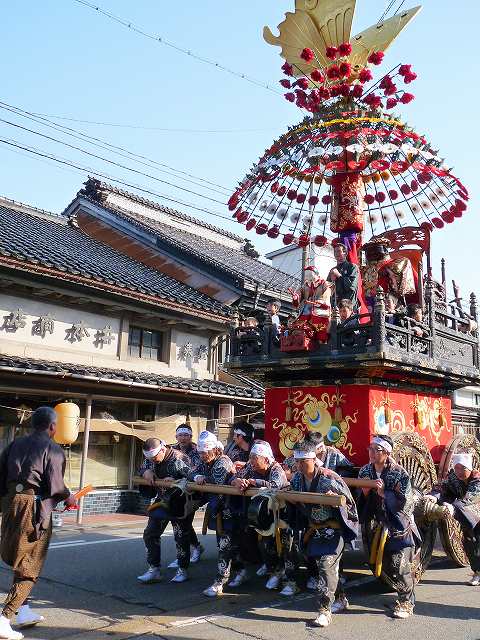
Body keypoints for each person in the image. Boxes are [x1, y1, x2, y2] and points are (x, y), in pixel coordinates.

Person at [0, 406, 77, 639]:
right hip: (32, 507)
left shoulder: (15, 444)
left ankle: (23, 611)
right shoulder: (53, 449)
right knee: (31, 563)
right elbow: (56, 485)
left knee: (19, 556)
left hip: (10, 502)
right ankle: (5, 619)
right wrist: (68, 496)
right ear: (53, 427)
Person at [283, 438, 358, 628]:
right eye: (297, 461)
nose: (299, 465)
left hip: (334, 530)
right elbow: (293, 497)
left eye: (303, 461)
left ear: (314, 459)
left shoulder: (330, 478)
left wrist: (336, 502)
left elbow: (350, 506)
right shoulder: (298, 479)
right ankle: (341, 599)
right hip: (315, 530)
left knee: (326, 566)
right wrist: (289, 498)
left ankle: (324, 610)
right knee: (325, 569)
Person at [358, 434, 420, 619]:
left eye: (376, 450)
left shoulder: (399, 473)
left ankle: (406, 602)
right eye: (370, 449)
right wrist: (365, 493)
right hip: (377, 522)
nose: (371, 453)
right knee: (386, 563)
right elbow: (360, 500)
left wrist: (385, 494)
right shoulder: (365, 471)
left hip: (398, 523)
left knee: (400, 564)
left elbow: (407, 503)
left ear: (387, 453)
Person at [231, 440, 289, 589]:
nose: (251, 461)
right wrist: (237, 481)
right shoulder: (250, 465)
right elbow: (233, 478)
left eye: (255, 458)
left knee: (275, 545)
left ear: (266, 460)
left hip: (279, 513)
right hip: (258, 511)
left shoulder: (276, 468)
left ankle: (279, 572)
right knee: (245, 537)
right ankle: (266, 565)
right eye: (250, 457)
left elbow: (275, 485)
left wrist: (254, 482)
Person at [137, 438, 196, 585]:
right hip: (162, 499)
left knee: (181, 536)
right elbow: (141, 468)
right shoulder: (150, 459)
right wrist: (146, 472)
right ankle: (154, 568)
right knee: (150, 533)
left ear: (162, 450)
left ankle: (182, 569)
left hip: (181, 501)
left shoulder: (179, 458)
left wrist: (176, 479)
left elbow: (193, 476)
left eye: (154, 457)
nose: (152, 461)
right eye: (149, 458)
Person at [191, 432, 236, 597]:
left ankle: (219, 582)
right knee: (224, 546)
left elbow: (216, 480)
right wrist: (197, 476)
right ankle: (239, 572)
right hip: (218, 510)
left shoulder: (223, 461)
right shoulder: (204, 462)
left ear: (215, 450)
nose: (202, 455)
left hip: (232, 510)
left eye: (205, 452)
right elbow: (191, 472)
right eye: (200, 453)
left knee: (226, 546)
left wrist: (202, 477)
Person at [428, 452, 480, 586]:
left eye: (463, 468)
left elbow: (470, 499)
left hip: (475, 512)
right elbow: (442, 488)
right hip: (467, 517)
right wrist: (434, 496)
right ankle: (477, 572)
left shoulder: (477, 479)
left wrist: (453, 507)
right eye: (456, 468)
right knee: (470, 543)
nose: (459, 472)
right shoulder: (453, 477)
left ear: (469, 468)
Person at [168, 424, 203, 568]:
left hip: (192, 492)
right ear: (176, 437)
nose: (183, 438)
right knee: (180, 524)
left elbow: (196, 470)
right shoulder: (171, 450)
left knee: (183, 524)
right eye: (180, 435)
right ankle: (196, 546)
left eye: (186, 435)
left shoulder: (197, 451)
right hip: (175, 493)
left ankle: (183, 557)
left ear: (191, 437)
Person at [288, 266, 333, 344]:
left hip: (320, 312)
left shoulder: (324, 283)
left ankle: (321, 344)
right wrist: (296, 297)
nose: (307, 277)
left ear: (316, 274)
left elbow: (327, 294)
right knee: (299, 327)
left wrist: (319, 302)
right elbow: (298, 296)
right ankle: (302, 342)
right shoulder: (305, 285)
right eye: (306, 275)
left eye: (309, 275)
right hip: (306, 312)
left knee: (321, 330)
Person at [328, 243, 359, 310]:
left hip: (349, 306)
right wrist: (331, 282)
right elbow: (328, 290)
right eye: (335, 252)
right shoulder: (332, 270)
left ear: (345, 253)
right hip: (335, 306)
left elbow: (351, 286)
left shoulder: (352, 267)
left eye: (339, 251)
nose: (336, 253)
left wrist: (339, 275)